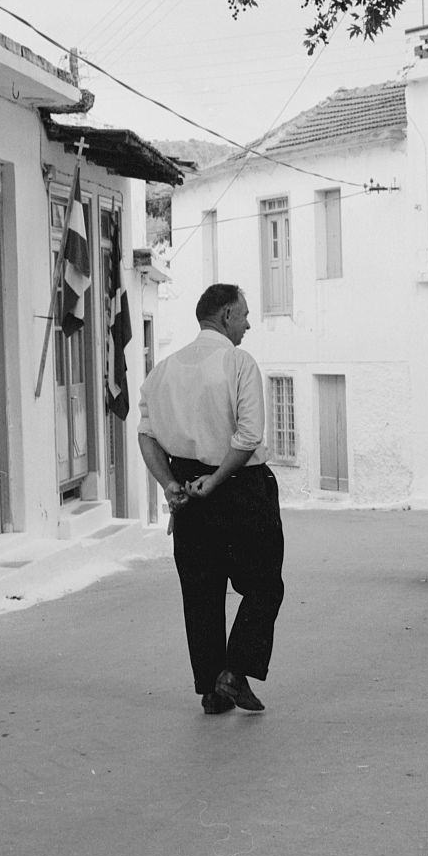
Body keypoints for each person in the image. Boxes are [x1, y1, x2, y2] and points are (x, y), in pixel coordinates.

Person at [138, 284, 284, 715]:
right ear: (224, 317)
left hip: (187, 492)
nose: (248, 324)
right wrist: (218, 479)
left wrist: (169, 484)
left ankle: (211, 691)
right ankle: (234, 672)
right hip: (240, 486)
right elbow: (249, 435)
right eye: (243, 315)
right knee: (263, 584)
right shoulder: (237, 362)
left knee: (200, 590)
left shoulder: (163, 369)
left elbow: (146, 435)